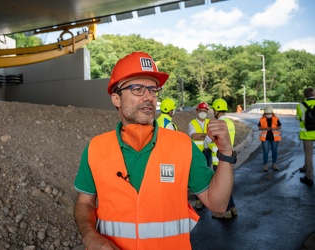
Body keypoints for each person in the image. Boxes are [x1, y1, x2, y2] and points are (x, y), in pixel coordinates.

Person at [73, 51, 235, 250]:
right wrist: (90, 236)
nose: (149, 97)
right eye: (138, 89)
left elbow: (218, 204)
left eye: (153, 89)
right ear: (116, 99)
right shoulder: (95, 148)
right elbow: (85, 204)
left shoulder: (182, 145)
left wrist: (226, 152)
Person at [209, 98, 238, 219]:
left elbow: (210, 141)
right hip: (229, 158)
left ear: (216, 110)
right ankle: (232, 208)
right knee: (228, 184)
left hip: (219, 159)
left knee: (222, 187)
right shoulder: (230, 122)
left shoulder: (217, 124)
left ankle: (225, 212)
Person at [188, 102, 213, 209]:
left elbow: (211, 136)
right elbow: (194, 136)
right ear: (197, 111)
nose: (203, 113)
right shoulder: (192, 123)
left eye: (204, 111)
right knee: (198, 176)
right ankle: (199, 200)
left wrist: (201, 135)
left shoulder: (210, 122)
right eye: (201, 111)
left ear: (207, 112)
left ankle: (208, 197)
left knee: (207, 175)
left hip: (208, 151)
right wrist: (207, 135)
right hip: (197, 153)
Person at [296, 87, 315, 186]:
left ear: (304, 96)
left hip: (307, 134)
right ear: (314, 94)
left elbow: (298, 118)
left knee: (308, 155)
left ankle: (309, 177)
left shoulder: (301, 105)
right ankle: (306, 167)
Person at [258, 105, 281, 172]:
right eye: (267, 114)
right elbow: (259, 127)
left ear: (272, 113)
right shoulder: (262, 120)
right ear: (265, 113)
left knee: (274, 151)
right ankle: (265, 165)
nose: (268, 115)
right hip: (265, 138)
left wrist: (275, 128)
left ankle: (274, 164)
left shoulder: (276, 119)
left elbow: (279, 127)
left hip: (274, 138)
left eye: (269, 114)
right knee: (265, 151)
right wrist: (265, 128)